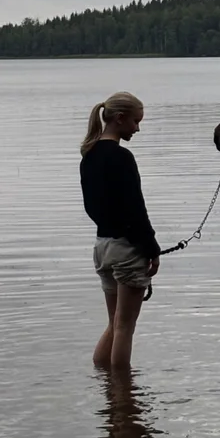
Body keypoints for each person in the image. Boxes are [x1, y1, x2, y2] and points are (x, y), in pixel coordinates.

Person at [79, 91, 160, 370]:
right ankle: (123, 392)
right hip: (127, 249)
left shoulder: (88, 156)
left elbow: (91, 208)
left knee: (114, 323)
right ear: (120, 118)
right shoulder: (122, 157)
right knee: (125, 327)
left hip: (102, 247)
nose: (137, 128)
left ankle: (105, 384)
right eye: (136, 122)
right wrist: (151, 249)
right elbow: (136, 209)